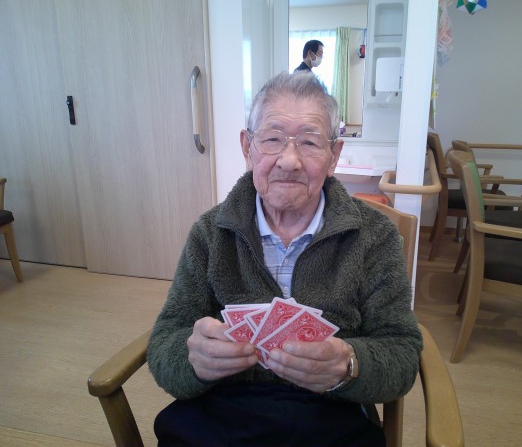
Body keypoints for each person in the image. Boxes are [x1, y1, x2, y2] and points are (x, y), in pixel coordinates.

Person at [147, 72, 422, 446]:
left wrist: (350, 364)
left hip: (330, 412)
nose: (289, 161)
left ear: (333, 156)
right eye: (272, 139)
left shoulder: (374, 236)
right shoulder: (210, 233)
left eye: (309, 142)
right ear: (248, 148)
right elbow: (166, 340)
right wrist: (193, 358)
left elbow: (402, 352)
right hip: (226, 411)